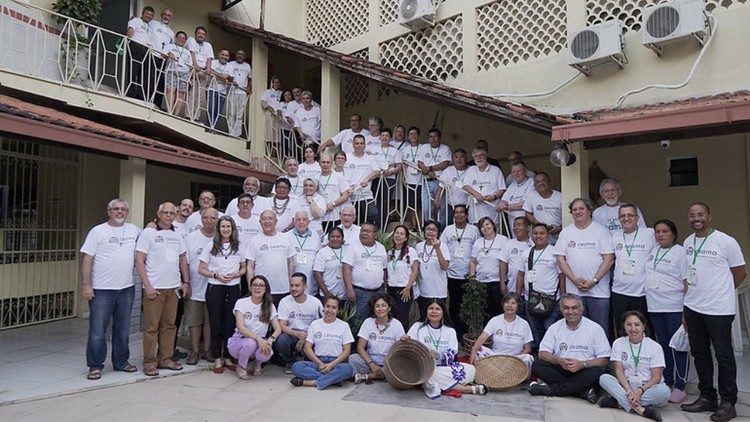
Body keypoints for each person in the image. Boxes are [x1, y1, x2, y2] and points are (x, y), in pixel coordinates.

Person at [680, 203, 746, 421]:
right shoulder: (688, 242)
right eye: (692, 215)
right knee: (700, 353)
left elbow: (740, 273)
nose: (696, 218)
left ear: (709, 216)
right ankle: (707, 396)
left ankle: (728, 402)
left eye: (700, 214)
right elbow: (688, 276)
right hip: (693, 307)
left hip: (718, 310)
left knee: (724, 355)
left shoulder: (726, 241)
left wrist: (722, 292)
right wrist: (685, 308)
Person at [80, 199, 141, 380]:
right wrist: (86, 285)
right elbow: (87, 260)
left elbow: (148, 241)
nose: (119, 212)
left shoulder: (134, 230)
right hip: (101, 290)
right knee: (98, 331)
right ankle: (95, 365)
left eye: (123, 209)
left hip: (126, 288)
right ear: (109, 211)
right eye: (116, 209)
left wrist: (153, 224)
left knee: (122, 330)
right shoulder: (97, 231)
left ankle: (121, 362)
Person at [135, 202, 191, 376]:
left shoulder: (178, 234)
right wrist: (148, 285)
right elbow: (139, 260)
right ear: (158, 214)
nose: (168, 215)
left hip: (173, 288)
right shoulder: (149, 233)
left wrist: (186, 282)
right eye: (165, 212)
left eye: (171, 213)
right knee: (151, 327)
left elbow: (183, 259)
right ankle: (150, 362)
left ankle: (165, 358)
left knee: (169, 326)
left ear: (175, 215)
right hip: (155, 288)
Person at [529, 294, 610, 402]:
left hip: (584, 370)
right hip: (561, 368)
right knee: (537, 364)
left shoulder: (595, 328)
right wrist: (559, 361)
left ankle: (550, 390)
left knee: (597, 373)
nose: (570, 312)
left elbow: (604, 360)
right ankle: (581, 392)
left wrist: (583, 364)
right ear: (561, 310)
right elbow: (542, 353)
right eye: (566, 308)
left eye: (574, 308)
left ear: (581, 309)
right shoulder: (555, 327)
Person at [644, 219, 689, 404]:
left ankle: (681, 385)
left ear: (674, 234)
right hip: (654, 306)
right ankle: (668, 380)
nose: (661, 235)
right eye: (658, 232)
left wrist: (687, 311)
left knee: (677, 345)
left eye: (665, 231)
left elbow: (688, 283)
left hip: (674, 307)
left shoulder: (681, 253)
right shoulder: (653, 251)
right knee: (662, 346)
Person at [404, 299, 487, 398]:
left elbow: (453, 352)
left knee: (471, 369)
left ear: (443, 312)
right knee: (429, 375)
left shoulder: (450, 331)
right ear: (426, 311)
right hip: (425, 368)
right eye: (431, 308)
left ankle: (444, 384)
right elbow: (409, 347)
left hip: (444, 367)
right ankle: (466, 389)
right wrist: (405, 340)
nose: (434, 311)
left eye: (438, 309)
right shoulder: (417, 327)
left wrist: (438, 355)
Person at [554, 198, 614, 334]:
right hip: (574, 291)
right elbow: (560, 259)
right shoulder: (566, 233)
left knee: (600, 330)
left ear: (589, 211)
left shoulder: (601, 231)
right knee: (576, 330)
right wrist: (574, 280)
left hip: (599, 292)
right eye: (574, 209)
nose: (578, 212)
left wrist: (594, 281)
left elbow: (609, 259)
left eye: (581, 208)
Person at [598, 311, 669, 421]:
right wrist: (629, 391)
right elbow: (619, 371)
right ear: (624, 326)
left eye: (637, 324)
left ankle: (619, 402)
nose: (633, 328)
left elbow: (656, 378)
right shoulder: (618, 343)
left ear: (644, 326)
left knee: (664, 392)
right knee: (604, 378)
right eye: (629, 324)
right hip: (626, 387)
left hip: (647, 388)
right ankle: (641, 409)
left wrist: (639, 391)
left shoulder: (655, 347)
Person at [197, 215, 246, 374]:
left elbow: (244, 268)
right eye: (223, 227)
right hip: (215, 288)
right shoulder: (210, 245)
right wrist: (216, 276)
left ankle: (228, 356)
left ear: (233, 230)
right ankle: (217, 357)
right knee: (216, 324)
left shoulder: (238, 246)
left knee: (230, 324)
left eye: (228, 227)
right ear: (219, 229)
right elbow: (201, 269)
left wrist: (237, 274)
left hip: (232, 288)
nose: (225, 229)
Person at [290, 296, 355, 389]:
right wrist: (320, 364)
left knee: (347, 369)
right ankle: (333, 380)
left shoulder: (344, 326)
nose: (330, 310)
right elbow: (307, 347)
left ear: (338, 311)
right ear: (323, 308)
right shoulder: (315, 324)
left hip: (336, 363)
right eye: (328, 306)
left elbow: (346, 351)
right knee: (296, 367)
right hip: (317, 362)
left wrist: (331, 365)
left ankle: (312, 382)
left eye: (334, 307)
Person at [517, 223, 564, 351]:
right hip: (530, 298)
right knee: (534, 329)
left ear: (548, 235)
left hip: (551, 299)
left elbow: (561, 276)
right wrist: (517, 295)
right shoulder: (526, 253)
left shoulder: (554, 252)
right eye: (535, 233)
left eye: (541, 233)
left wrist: (563, 298)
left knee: (550, 329)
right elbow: (521, 274)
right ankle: (539, 353)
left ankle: (551, 353)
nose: (538, 236)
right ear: (531, 235)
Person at [611, 204, 656, 337]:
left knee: (644, 331)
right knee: (622, 330)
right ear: (619, 219)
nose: (626, 218)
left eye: (630, 215)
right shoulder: (614, 236)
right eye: (622, 216)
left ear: (637, 217)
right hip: (619, 291)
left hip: (641, 292)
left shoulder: (649, 233)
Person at [183, 208, 218, 365]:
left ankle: (208, 350)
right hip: (195, 287)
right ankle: (195, 351)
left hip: (214, 288)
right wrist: (186, 282)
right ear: (201, 219)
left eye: (213, 217)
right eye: (206, 217)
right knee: (194, 321)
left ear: (217, 219)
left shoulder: (220, 238)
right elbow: (186, 262)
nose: (209, 220)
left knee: (210, 322)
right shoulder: (191, 237)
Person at [439, 204, 480, 340]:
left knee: (467, 305)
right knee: (454, 305)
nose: (459, 215)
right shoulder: (448, 230)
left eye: (462, 212)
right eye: (456, 213)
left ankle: (466, 333)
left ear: (467, 215)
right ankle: (455, 332)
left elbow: (478, 250)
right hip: (452, 274)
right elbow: (441, 247)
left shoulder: (473, 230)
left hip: (468, 275)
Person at [229, 275, 281, 379]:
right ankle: (241, 366)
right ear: (250, 287)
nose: (257, 288)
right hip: (240, 341)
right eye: (255, 285)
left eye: (261, 285)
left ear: (266, 289)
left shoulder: (269, 305)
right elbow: (240, 328)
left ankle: (257, 364)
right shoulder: (242, 302)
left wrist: (271, 339)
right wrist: (258, 339)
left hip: (261, 341)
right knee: (250, 342)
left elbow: (278, 328)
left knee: (268, 352)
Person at [469, 293, 534, 376]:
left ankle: (510, 375)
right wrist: (473, 352)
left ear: (518, 306)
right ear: (503, 305)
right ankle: (502, 374)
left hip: (515, 360)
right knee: (479, 351)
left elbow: (527, 349)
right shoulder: (495, 320)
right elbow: (482, 338)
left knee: (527, 358)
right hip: (495, 358)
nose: (509, 305)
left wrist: (514, 359)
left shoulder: (524, 324)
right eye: (507, 302)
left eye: (513, 303)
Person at [349, 293, 405, 384]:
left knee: (401, 365)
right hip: (370, 361)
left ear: (389, 308)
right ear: (373, 309)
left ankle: (368, 376)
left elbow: (400, 348)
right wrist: (371, 364)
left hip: (389, 362)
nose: (380, 309)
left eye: (383, 305)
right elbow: (360, 347)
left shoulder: (396, 324)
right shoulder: (368, 322)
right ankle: (382, 375)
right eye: (377, 306)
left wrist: (388, 359)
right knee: (353, 358)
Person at [274, 273, 324, 373]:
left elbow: (321, 325)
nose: (293, 288)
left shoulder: (315, 302)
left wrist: (305, 339)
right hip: (292, 334)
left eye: (297, 285)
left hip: (310, 335)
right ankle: (290, 362)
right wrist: (297, 334)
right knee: (281, 340)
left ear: (305, 286)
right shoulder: (284, 302)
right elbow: (282, 326)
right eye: (291, 285)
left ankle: (306, 361)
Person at [245, 210, 295, 305]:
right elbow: (250, 266)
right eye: (264, 219)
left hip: (282, 289)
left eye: (270, 218)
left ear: (276, 221)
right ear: (260, 222)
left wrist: (291, 283)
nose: (267, 221)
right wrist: (250, 286)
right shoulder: (254, 240)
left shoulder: (285, 238)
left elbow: (290, 262)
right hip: (262, 290)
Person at [343, 222, 388, 322]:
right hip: (360, 292)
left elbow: (384, 269)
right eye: (362, 230)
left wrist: (385, 288)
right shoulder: (353, 247)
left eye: (368, 231)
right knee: (357, 321)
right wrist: (349, 289)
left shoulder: (381, 248)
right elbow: (346, 268)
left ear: (375, 235)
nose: (364, 233)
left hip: (378, 292)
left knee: (376, 321)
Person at [469, 216, 508, 319]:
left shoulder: (503, 240)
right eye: (482, 226)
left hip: (497, 281)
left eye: (487, 224)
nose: (485, 227)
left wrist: (502, 281)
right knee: (484, 312)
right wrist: (472, 279)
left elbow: (505, 261)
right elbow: (473, 261)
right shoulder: (478, 242)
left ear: (493, 225)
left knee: (498, 311)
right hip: (481, 282)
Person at [385, 224, 418, 330]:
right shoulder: (390, 252)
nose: (398, 236)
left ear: (406, 238)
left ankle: (403, 344)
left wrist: (408, 288)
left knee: (401, 320)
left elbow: (415, 270)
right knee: (390, 319)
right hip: (391, 290)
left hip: (404, 290)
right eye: (397, 233)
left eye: (402, 234)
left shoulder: (411, 251)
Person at [415, 220, 450, 319]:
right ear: (424, 231)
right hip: (422, 291)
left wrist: (437, 249)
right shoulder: (419, 246)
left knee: (436, 319)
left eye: (434, 230)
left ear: (438, 233)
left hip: (438, 291)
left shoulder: (443, 246)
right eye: (428, 229)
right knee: (423, 318)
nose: (430, 232)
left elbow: (445, 267)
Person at [463, 147, 506, 225]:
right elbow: (466, 185)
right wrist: (476, 194)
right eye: (476, 156)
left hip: (492, 212)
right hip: (475, 213)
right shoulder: (471, 169)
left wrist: (493, 197)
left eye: (481, 155)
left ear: (486, 156)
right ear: (473, 158)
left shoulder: (496, 170)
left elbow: (502, 189)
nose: (478, 157)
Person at [417, 128, 451, 227]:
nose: (433, 139)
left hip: (440, 182)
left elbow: (445, 164)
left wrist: (430, 168)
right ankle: (429, 229)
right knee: (426, 208)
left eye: (435, 136)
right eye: (431, 137)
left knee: (442, 208)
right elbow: (419, 163)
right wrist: (427, 170)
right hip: (426, 182)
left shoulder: (445, 148)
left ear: (439, 138)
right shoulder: (424, 147)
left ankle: (442, 230)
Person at [369, 128, 401, 227]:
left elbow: (399, 166)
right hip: (376, 178)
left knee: (385, 202)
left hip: (389, 179)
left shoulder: (394, 151)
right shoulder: (373, 149)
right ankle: (373, 224)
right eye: (382, 135)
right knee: (374, 201)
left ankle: (382, 225)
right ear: (379, 137)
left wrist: (390, 171)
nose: (384, 138)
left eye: (387, 136)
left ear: (390, 138)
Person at [346, 134, 380, 225]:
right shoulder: (347, 157)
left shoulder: (369, 158)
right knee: (354, 222)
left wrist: (367, 178)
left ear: (365, 145)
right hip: (350, 196)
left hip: (366, 195)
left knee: (373, 215)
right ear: (353, 145)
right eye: (357, 143)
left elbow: (377, 171)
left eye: (361, 143)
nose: (359, 145)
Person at [499, 217, 533, 308]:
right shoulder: (508, 244)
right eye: (514, 225)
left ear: (528, 228)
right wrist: (502, 282)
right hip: (512, 288)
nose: (515, 228)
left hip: (531, 290)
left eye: (519, 225)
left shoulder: (534, 244)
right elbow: (503, 263)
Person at [523, 172, 562, 245]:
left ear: (549, 181)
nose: (541, 183)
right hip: (539, 239)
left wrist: (559, 228)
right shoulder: (532, 195)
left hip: (558, 238)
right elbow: (527, 213)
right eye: (537, 182)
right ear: (534, 185)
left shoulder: (560, 196)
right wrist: (539, 224)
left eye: (543, 180)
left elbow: (568, 215)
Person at [289, 210, 322, 296]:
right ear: (294, 221)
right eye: (298, 219)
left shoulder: (315, 236)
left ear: (308, 221)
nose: (301, 222)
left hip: (311, 284)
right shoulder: (286, 236)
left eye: (304, 219)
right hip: (293, 286)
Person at [125, 6, 155, 101]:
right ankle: (130, 92)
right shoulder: (136, 21)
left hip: (145, 49)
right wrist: (127, 42)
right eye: (147, 14)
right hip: (136, 46)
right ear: (142, 13)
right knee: (133, 70)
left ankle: (139, 93)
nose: (149, 16)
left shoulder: (149, 26)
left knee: (142, 73)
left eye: (151, 15)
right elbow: (130, 31)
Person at [434, 148, 470, 226]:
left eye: (461, 157)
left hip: (467, 205)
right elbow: (440, 187)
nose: (459, 159)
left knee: (467, 227)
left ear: (466, 158)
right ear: (452, 159)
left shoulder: (472, 170)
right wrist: (437, 200)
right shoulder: (448, 170)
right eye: (456, 157)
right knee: (445, 224)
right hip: (451, 205)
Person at [498, 162, 535, 236]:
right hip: (513, 222)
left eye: (518, 171)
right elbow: (504, 200)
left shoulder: (532, 183)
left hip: (526, 223)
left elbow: (526, 203)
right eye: (513, 172)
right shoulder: (512, 185)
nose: (516, 174)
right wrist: (500, 205)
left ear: (525, 171)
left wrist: (507, 207)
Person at [186, 26, 215, 122]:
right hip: (193, 70)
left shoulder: (208, 45)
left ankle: (196, 116)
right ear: (195, 34)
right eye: (199, 33)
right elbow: (192, 53)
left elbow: (209, 58)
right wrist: (195, 65)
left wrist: (208, 68)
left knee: (199, 96)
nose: (201, 35)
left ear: (205, 36)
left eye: (203, 34)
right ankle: (189, 115)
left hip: (202, 72)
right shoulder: (191, 40)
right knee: (191, 94)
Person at [149, 8, 174, 110]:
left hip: (163, 59)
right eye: (164, 14)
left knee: (160, 81)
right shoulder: (153, 23)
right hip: (152, 55)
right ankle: (146, 98)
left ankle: (157, 102)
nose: (166, 17)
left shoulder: (171, 32)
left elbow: (171, 46)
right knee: (150, 78)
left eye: (168, 15)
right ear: (161, 14)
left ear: (170, 17)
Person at [161, 31, 191, 117]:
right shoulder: (169, 46)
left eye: (183, 38)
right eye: (179, 37)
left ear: (185, 41)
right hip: (171, 70)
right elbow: (162, 55)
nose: (181, 39)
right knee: (170, 90)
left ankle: (176, 114)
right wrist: (169, 54)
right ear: (176, 38)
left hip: (184, 73)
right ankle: (169, 111)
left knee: (180, 94)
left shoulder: (187, 52)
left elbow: (190, 65)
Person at [317, 154, 350, 231]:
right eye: (323, 162)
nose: (325, 164)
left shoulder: (338, 177)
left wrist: (333, 204)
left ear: (332, 163)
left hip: (334, 216)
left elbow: (345, 196)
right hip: (319, 216)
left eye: (328, 162)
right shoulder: (316, 177)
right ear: (319, 163)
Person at [313, 227, 348, 300]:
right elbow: (317, 273)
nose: (335, 239)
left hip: (344, 296)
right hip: (328, 295)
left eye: (338, 236)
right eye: (332, 236)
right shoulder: (323, 252)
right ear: (328, 238)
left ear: (342, 238)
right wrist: (326, 292)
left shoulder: (348, 251)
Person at [226, 49, 251, 137]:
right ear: (236, 55)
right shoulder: (231, 64)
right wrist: (232, 80)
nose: (240, 56)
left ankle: (237, 134)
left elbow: (250, 78)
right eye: (238, 54)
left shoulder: (247, 66)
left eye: (242, 54)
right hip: (232, 90)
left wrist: (249, 87)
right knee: (231, 112)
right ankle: (231, 132)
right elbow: (227, 75)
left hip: (243, 92)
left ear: (244, 57)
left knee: (239, 114)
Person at [401, 126, 423, 227]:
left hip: (421, 180)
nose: (413, 136)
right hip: (410, 180)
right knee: (411, 204)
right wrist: (404, 177)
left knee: (420, 205)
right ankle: (414, 225)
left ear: (418, 135)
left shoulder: (423, 148)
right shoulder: (405, 149)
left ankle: (421, 224)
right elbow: (404, 164)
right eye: (410, 134)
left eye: (415, 134)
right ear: (408, 137)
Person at [205, 49, 232, 130]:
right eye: (222, 54)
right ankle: (208, 127)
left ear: (229, 57)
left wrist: (227, 76)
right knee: (210, 109)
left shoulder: (230, 66)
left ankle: (214, 129)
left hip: (223, 92)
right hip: (212, 89)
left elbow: (231, 77)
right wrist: (221, 75)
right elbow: (210, 71)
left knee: (218, 112)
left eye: (226, 55)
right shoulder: (214, 62)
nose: (224, 57)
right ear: (219, 55)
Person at [261, 75, 282, 143]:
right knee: (269, 132)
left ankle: (275, 151)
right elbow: (263, 102)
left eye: (278, 82)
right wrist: (269, 107)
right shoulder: (268, 92)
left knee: (277, 132)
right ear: (272, 83)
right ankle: (269, 150)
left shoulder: (281, 93)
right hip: (270, 114)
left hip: (279, 115)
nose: (276, 84)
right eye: (275, 82)